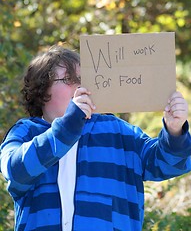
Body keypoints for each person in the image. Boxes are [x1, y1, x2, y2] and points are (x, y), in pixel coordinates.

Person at [0, 45, 191, 231]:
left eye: (83, 79)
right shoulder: (25, 132)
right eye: (68, 79)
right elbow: (14, 170)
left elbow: (168, 164)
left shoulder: (117, 131)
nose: (79, 86)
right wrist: (68, 125)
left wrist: (175, 132)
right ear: (41, 92)